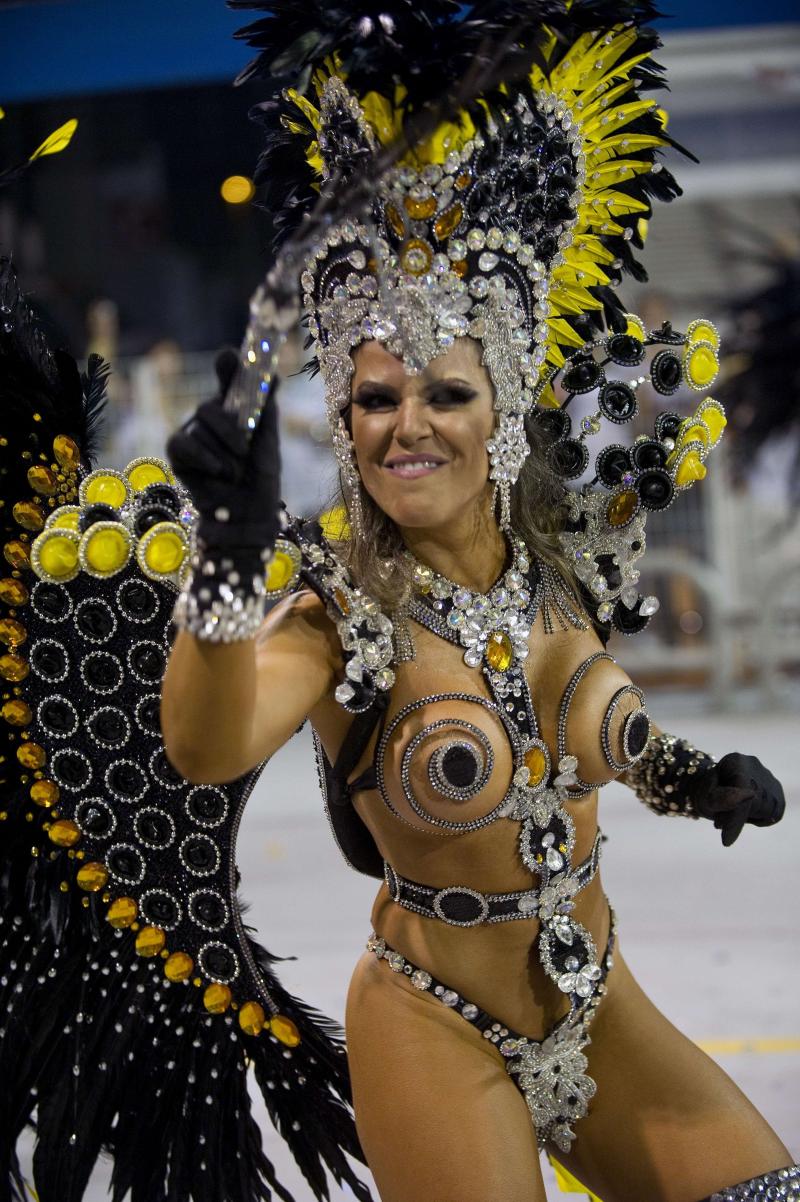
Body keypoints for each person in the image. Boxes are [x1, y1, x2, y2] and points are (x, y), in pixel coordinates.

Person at [0, 5, 796, 1202]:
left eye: (445, 393)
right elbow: (206, 743)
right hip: (433, 1025)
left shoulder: (557, 565)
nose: (406, 425)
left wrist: (689, 776)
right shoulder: (333, 608)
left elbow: (595, 730)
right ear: (342, 415)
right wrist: (224, 566)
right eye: (375, 398)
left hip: (595, 997)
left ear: (501, 408)